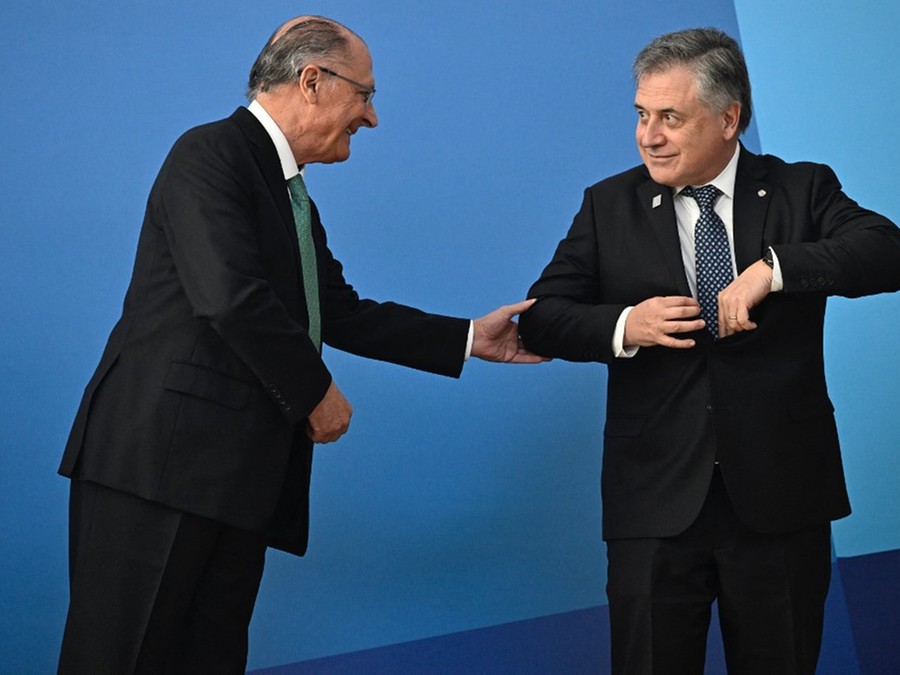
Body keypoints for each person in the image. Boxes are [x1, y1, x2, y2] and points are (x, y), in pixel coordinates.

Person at [58, 15, 542, 673]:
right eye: (365, 95)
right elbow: (228, 295)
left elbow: (336, 309)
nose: (371, 117)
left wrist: (467, 338)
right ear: (312, 81)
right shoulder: (207, 154)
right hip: (159, 468)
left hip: (234, 481)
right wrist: (315, 392)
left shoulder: (292, 197)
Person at [519, 27, 900, 674]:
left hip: (780, 499)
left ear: (729, 120)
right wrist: (625, 325)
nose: (648, 135)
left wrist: (773, 268)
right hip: (655, 505)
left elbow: (886, 250)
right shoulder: (609, 205)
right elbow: (542, 320)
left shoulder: (800, 190)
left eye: (670, 117)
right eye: (641, 114)